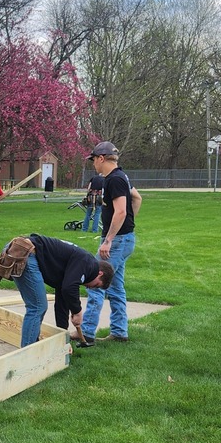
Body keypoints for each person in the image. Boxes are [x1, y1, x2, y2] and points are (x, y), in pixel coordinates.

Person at [80, 141, 142, 343]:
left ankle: (87, 333)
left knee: (95, 281)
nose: (93, 165)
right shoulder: (121, 176)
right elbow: (137, 198)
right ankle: (119, 332)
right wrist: (127, 226)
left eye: (93, 160)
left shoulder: (114, 179)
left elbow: (122, 211)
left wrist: (108, 240)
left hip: (115, 243)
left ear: (101, 158)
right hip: (124, 239)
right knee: (115, 287)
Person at [9, 233, 114, 347]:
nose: (90, 287)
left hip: (21, 249)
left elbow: (63, 299)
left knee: (37, 306)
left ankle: (33, 345)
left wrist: (62, 336)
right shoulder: (88, 264)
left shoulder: (77, 269)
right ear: (100, 273)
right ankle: (28, 353)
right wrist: (77, 311)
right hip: (25, 251)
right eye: (97, 285)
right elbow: (69, 288)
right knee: (37, 307)